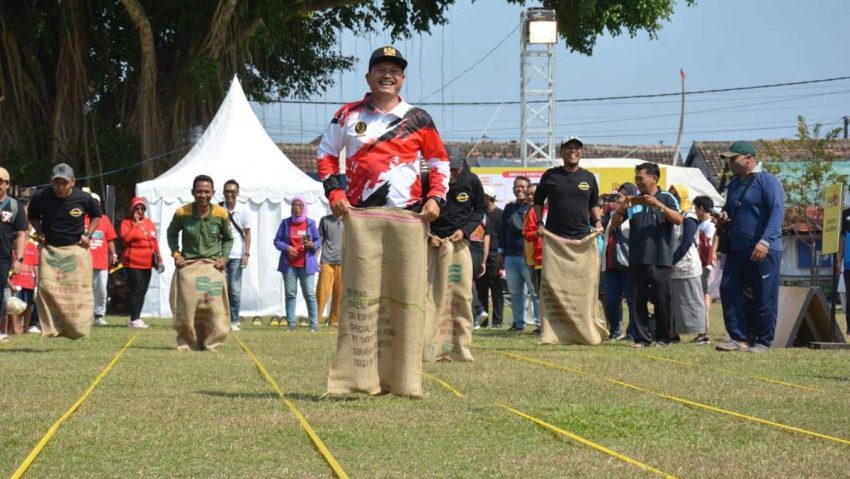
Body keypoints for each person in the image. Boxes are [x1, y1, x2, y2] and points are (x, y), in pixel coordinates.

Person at [317, 45, 448, 219]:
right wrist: (334, 191)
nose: (387, 76)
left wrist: (436, 198)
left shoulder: (419, 118)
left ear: (402, 78)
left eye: (394, 71)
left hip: (409, 214)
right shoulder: (347, 114)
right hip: (359, 214)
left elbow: (439, 162)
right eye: (380, 70)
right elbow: (326, 153)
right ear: (368, 77)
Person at [716, 141, 784, 353]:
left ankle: (763, 341)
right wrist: (724, 219)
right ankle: (739, 338)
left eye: (733, 158)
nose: (730, 163)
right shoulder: (734, 184)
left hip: (764, 249)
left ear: (748, 158)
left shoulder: (768, 181)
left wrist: (765, 241)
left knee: (765, 296)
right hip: (737, 248)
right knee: (728, 289)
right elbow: (730, 210)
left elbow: (777, 213)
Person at [609, 163, 683, 348]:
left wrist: (658, 205)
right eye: (636, 178)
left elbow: (679, 219)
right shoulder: (634, 200)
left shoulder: (667, 197)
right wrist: (621, 208)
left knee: (661, 299)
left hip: (660, 257)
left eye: (640, 178)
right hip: (637, 258)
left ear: (654, 178)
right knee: (637, 299)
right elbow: (615, 224)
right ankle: (642, 338)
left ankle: (663, 337)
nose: (638, 182)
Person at [28, 163, 102, 339]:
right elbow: (32, 216)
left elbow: (97, 214)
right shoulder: (41, 196)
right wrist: (39, 233)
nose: (60, 187)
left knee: (77, 290)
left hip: (75, 249)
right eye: (56, 183)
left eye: (64, 183)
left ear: (73, 182)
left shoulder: (83, 198)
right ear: (51, 182)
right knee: (46, 288)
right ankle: (50, 327)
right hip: (50, 250)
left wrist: (88, 234)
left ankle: (78, 328)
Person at [167, 175, 234, 350]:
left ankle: (212, 343)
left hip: (212, 267)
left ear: (212, 193)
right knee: (188, 308)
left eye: (206, 191)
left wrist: (224, 258)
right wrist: (176, 253)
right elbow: (171, 233)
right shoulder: (182, 213)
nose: (202, 195)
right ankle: (188, 342)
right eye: (199, 191)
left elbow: (228, 239)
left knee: (213, 306)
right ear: (193, 193)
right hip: (188, 267)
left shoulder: (221, 213)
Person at [273, 197, 321, 331]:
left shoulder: (311, 223)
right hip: (289, 265)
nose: (297, 208)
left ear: (304, 207)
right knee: (290, 294)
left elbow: (318, 241)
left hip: (307, 264)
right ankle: (291, 325)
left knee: (310, 294)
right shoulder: (285, 223)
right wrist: (286, 248)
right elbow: (277, 241)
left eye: (300, 205)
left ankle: (314, 325)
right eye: (294, 205)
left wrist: (312, 244)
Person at [668, 185, 708, 344]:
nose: (673, 197)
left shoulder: (689, 216)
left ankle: (702, 334)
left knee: (693, 299)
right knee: (676, 302)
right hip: (675, 267)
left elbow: (685, 243)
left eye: (676, 194)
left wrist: (673, 260)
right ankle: (674, 332)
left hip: (687, 265)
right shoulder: (674, 215)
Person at [499, 176, 538, 331]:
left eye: (523, 186)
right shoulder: (508, 208)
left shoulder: (534, 208)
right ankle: (518, 322)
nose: (519, 189)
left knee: (534, 291)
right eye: (516, 186)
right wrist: (501, 251)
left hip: (528, 256)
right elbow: (503, 231)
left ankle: (539, 323)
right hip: (510, 256)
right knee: (515, 292)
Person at [601, 183, 638, 341]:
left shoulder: (636, 214)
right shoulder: (612, 215)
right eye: (618, 196)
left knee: (632, 299)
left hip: (629, 264)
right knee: (610, 300)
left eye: (622, 195)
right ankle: (615, 330)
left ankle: (633, 331)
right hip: (610, 264)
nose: (619, 198)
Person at [120, 197, 162, 329]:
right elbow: (125, 239)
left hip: (147, 262)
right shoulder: (126, 223)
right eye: (137, 208)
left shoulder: (149, 223)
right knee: (136, 289)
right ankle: (134, 319)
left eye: (142, 208)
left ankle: (137, 317)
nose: (139, 211)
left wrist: (159, 259)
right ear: (132, 209)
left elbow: (154, 243)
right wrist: (136, 225)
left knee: (142, 290)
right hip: (133, 261)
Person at [0, 167, 28, 340]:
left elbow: (20, 234)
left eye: (0, 182)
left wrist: (19, 259)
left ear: (7, 184)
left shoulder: (14, 206)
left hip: (3, 257)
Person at [220, 179, 252, 331]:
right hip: (219, 255)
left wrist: (246, 253)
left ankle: (234, 320)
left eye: (232, 191)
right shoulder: (217, 208)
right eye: (227, 191)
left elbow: (247, 233)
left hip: (236, 254)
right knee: (218, 288)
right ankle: (220, 319)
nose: (229, 194)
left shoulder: (243, 210)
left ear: (237, 193)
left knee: (234, 289)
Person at [86, 192, 118, 326]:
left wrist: (114, 254)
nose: (94, 204)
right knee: (85, 289)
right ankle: (85, 315)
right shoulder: (82, 218)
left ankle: (99, 314)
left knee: (101, 289)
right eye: (91, 202)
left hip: (101, 261)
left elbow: (110, 239)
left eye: (96, 202)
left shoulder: (104, 219)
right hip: (84, 262)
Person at [476, 185, 503, 328]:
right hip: (481, 256)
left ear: (488, 197)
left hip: (495, 256)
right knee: (481, 290)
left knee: (496, 289)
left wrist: (501, 255)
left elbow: (503, 236)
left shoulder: (500, 214)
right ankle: (483, 321)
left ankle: (497, 321)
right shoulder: (479, 214)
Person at [693, 195, 716, 344]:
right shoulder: (704, 224)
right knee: (702, 294)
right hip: (702, 264)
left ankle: (704, 331)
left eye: (696, 208)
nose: (695, 211)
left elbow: (708, 245)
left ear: (701, 208)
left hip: (704, 264)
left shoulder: (709, 225)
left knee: (703, 295)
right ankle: (702, 331)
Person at [317, 211, 343, 327]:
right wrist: (315, 258)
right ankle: (316, 318)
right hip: (326, 260)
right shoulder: (325, 220)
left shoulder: (349, 220)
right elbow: (319, 240)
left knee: (339, 292)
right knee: (322, 291)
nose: (335, 207)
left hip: (343, 261)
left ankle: (334, 319)